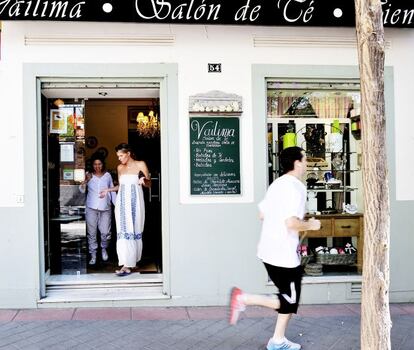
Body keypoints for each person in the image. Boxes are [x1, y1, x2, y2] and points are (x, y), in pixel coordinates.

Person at [229, 146, 321, 350]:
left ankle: (278, 340)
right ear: (297, 163)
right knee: (289, 300)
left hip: (268, 251)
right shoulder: (296, 187)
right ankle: (243, 298)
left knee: (289, 296)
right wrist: (311, 225)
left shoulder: (276, 184)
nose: (306, 164)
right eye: (305, 160)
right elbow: (291, 223)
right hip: (283, 254)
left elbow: (262, 214)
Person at [100, 143, 151, 276]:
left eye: (121, 155)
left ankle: (131, 262)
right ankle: (126, 264)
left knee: (134, 229)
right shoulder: (120, 168)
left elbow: (149, 183)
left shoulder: (141, 164)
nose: (119, 158)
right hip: (122, 204)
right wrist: (108, 190)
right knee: (123, 231)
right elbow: (120, 187)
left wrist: (144, 181)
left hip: (136, 204)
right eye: (118, 156)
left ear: (128, 153)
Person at [79, 157, 115, 265]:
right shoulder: (88, 175)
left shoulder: (108, 176)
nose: (97, 166)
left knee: (105, 232)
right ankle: (93, 254)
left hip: (105, 208)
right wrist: (86, 180)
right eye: (95, 164)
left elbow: (112, 190)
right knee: (92, 233)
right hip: (91, 208)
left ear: (103, 164)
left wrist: (116, 205)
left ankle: (104, 248)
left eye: (99, 164)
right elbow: (81, 190)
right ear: (92, 165)